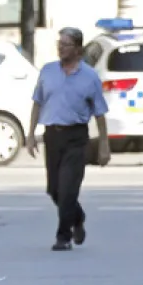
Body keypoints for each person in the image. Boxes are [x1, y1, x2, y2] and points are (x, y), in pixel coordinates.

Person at [24, 27, 112, 251]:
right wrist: (31, 134)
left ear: (78, 49)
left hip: (76, 136)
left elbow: (100, 113)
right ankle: (77, 216)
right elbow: (37, 102)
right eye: (59, 44)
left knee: (68, 189)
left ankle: (63, 236)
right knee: (54, 189)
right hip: (52, 136)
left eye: (66, 44)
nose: (61, 48)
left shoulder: (89, 77)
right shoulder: (48, 71)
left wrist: (104, 145)